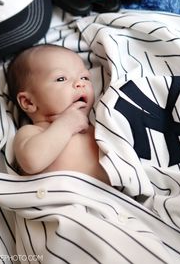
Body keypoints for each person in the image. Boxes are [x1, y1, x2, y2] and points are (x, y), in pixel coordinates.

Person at [7, 44, 110, 185]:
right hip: (54, 203)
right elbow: (32, 162)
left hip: (105, 202)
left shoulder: (98, 129)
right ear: (28, 102)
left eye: (85, 77)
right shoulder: (32, 132)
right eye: (61, 78)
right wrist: (65, 125)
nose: (80, 83)